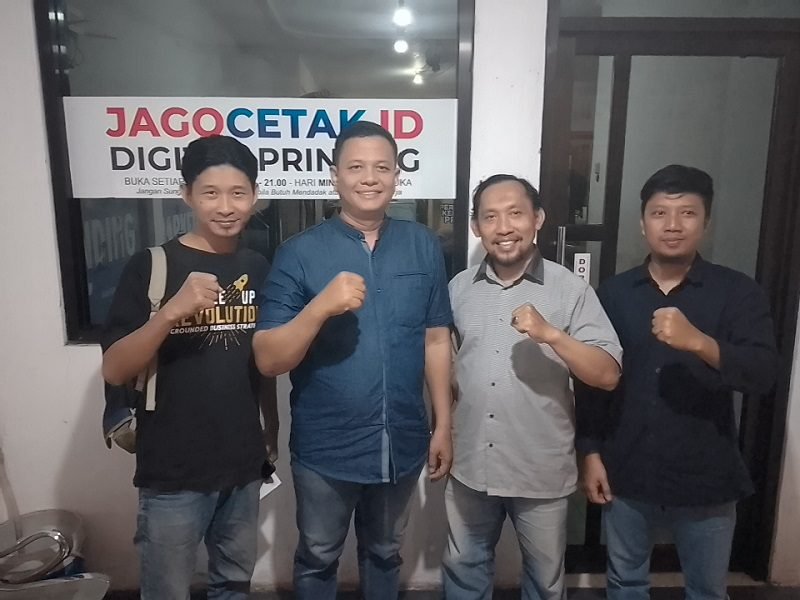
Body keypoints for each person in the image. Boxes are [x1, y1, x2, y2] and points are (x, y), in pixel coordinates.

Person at [252, 121, 453, 600]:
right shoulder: (298, 253)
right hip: (326, 448)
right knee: (318, 556)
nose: (370, 178)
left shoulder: (423, 244)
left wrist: (444, 423)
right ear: (334, 176)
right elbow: (269, 359)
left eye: (382, 167)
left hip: (402, 441)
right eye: (356, 167)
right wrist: (320, 306)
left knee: (385, 552)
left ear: (397, 176)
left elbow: (436, 338)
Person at [576, 164, 779, 600]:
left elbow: (763, 373)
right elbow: (595, 382)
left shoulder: (736, 292)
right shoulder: (614, 293)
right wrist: (590, 452)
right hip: (627, 469)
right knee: (625, 584)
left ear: (706, 222)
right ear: (642, 223)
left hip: (706, 473)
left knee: (706, 590)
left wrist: (700, 343)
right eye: (659, 213)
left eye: (687, 213)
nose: (672, 225)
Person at [102, 135, 276, 600]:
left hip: (242, 464)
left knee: (233, 586)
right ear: (186, 195)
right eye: (210, 193)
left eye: (238, 193)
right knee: (167, 591)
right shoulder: (152, 265)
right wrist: (170, 313)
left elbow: (261, 359)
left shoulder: (258, 266)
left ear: (255, 196)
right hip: (172, 470)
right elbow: (114, 369)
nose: (226, 206)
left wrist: (271, 428)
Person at [443, 174, 623, 600]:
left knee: (544, 583)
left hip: (540, 469)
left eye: (515, 213)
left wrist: (552, 335)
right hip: (470, 466)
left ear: (538, 219)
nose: (504, 227)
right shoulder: (458, 289)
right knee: (463, 574)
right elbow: (446, 368)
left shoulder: (571, 289)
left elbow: (607, 374)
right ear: (475, 226)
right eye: (490, 217)